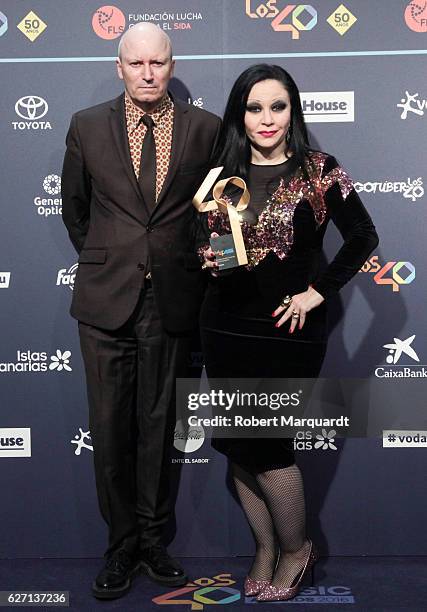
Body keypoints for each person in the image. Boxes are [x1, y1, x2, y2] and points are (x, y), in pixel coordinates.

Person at [198, 64, 379, 602]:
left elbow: (363, 236)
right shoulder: (220, 172)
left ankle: (297, 549)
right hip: (225, 324)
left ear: (293, 110)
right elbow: (212, 246)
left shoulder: (320, 171)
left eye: (278, 106)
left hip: (288, 330)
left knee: (271, 447)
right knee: (236, 445)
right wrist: (209, 259)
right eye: (254, 108)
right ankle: (265, 548)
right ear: (239, 114)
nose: (267, 119)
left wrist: (316, 291)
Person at [61, 23, 221, 600]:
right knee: (109, 427)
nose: (148, 74)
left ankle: (154, 540)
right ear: (119, 67)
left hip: (174, 300)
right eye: (137, 64)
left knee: (159, 425)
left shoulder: (205, 129)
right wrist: (113, 262)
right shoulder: (86, 125)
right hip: (106, 300)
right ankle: (120, 544)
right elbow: (74, 210)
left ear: (171, 65)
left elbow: (215, 212)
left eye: (158, 63)